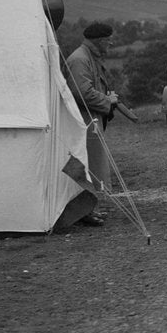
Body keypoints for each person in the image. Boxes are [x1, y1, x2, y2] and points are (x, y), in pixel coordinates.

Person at [65, 22, 117, 226]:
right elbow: (81, 91)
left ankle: (88, 210)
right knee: (85, 166)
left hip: (90, 120)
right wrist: (108, 101)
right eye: (109, 40)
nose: (111, 43)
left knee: (91, 166)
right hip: (82, 123)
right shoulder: (80, 59)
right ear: (100, 40)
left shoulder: (88, 56)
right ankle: (83, 213)